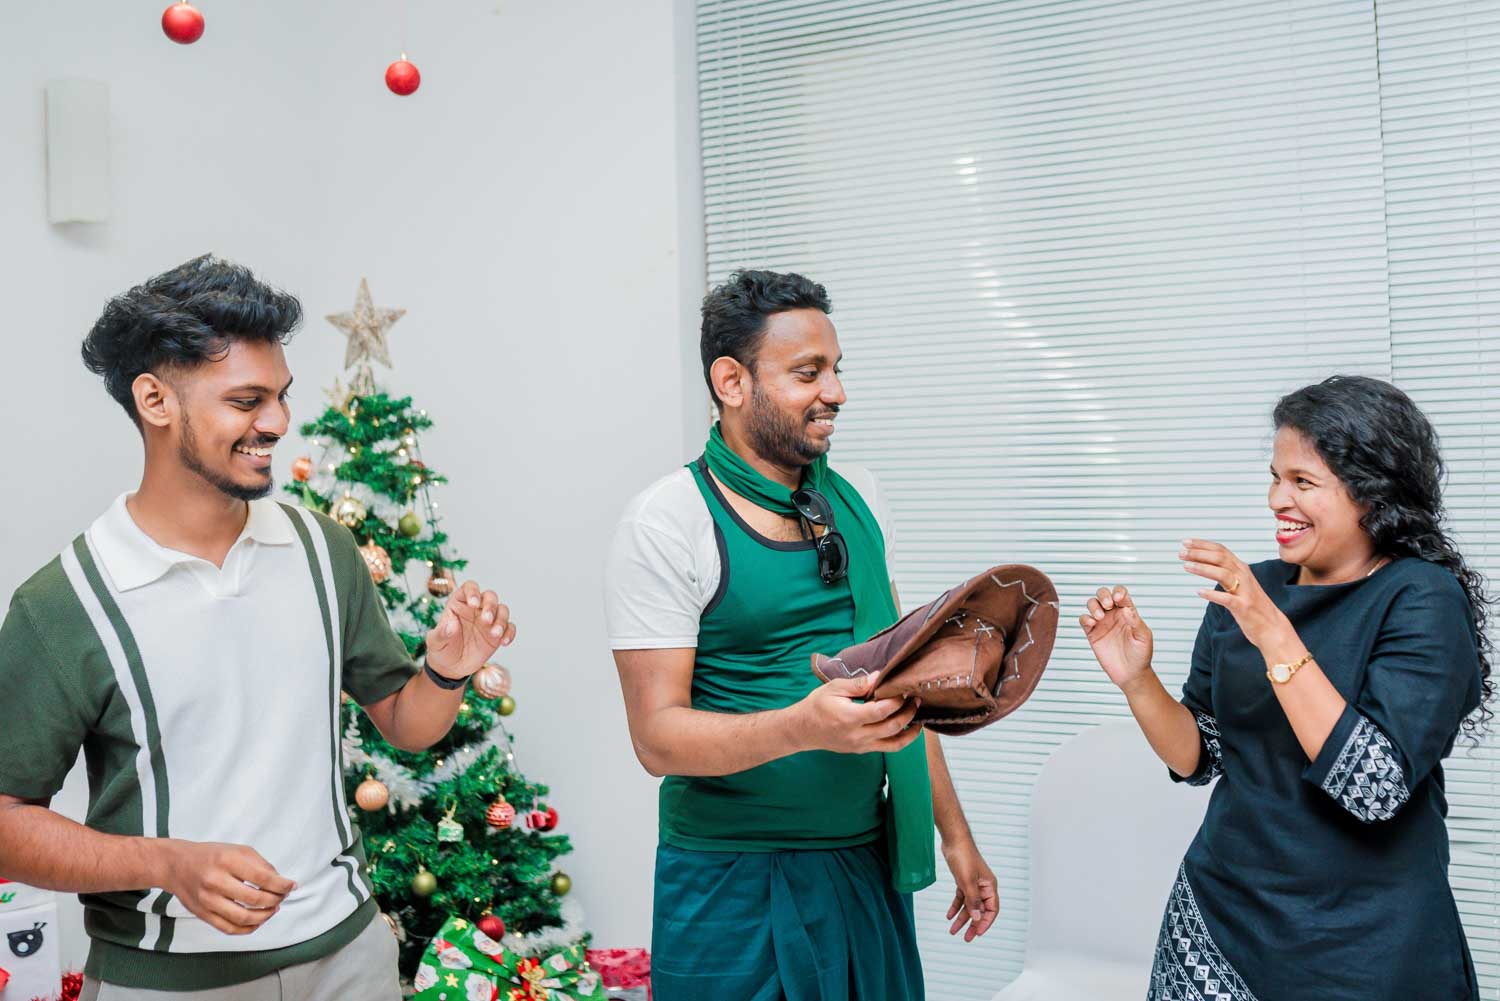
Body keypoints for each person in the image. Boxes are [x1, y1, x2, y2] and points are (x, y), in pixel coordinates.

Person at [0, 255, 516, 1000]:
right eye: (246, 400)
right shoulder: (65, 603)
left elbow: (406, 724)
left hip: (352, 959)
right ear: (154, 399)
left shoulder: (323, 550)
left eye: (280, 396)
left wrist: (446, 671)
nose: (276, 422)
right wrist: (165, 863)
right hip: (168, 980)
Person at [605, 269, 997, 1000]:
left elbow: (903, 680)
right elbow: (656, 739)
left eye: (836, 369)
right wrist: (804, 726)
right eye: (808, 373)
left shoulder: (859, 497)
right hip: (730, 884)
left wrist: (955, 835)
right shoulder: (666, 522)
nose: (836, 392)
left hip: (862, 865)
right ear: (732, 381)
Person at [1080, 374, 1489, 1001]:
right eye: (1275, 477)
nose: (1277, 499)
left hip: (1370, 944)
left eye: (1303, 481)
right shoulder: (1248, 592)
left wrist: (1272, 630)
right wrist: (1137, 681)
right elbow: (1199, 758)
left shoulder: (1421, 599)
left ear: (1371, 492)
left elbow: (1373, 788)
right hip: (1221, 928)